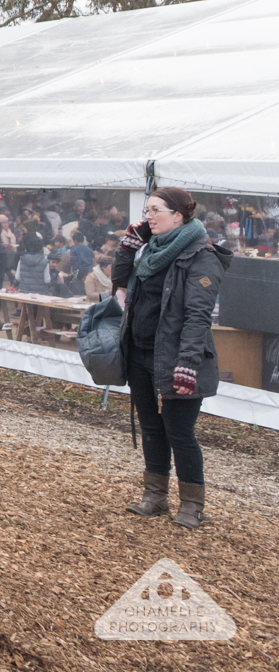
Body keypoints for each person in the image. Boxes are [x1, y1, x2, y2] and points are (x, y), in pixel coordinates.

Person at [113, 187, 232, 530]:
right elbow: (119, 283)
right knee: (151, 427)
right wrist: (128, 247)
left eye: (155, 210)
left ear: (178, 216)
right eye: (147, 210)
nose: (147, 216)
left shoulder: (201, 254)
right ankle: (155, 497)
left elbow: (198, 315)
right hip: (140, 351)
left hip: (179, 358)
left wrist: (188, 363)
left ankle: (192, 505)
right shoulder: (149, 249)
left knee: (180, 432)